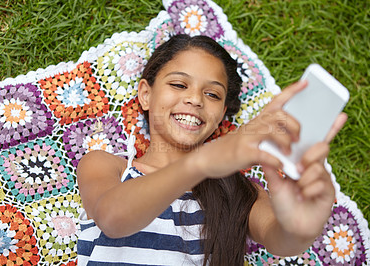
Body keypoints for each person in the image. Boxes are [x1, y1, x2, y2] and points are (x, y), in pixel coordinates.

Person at [76, 34, 347, 265]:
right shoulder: (108, 166)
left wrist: (301, 229)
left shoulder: (240, 191)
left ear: (222, 114)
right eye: (179, 84)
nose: (194, 99)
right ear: (145, 94)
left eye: (213, 95)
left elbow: (280, 239)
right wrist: (203, 162)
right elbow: (112, 219)